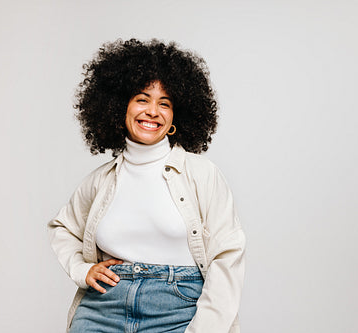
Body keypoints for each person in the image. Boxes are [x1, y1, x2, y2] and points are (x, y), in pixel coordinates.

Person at [48, 39, 245, 333]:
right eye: (142, 99)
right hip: (103, 309)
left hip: (179, 310)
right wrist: (82, 270)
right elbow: (63, 228)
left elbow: (227, 256)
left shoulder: (202, 174)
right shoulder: (101, 180)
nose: (153, 111)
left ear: (176, 115)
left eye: (164, 103)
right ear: (119, 107)